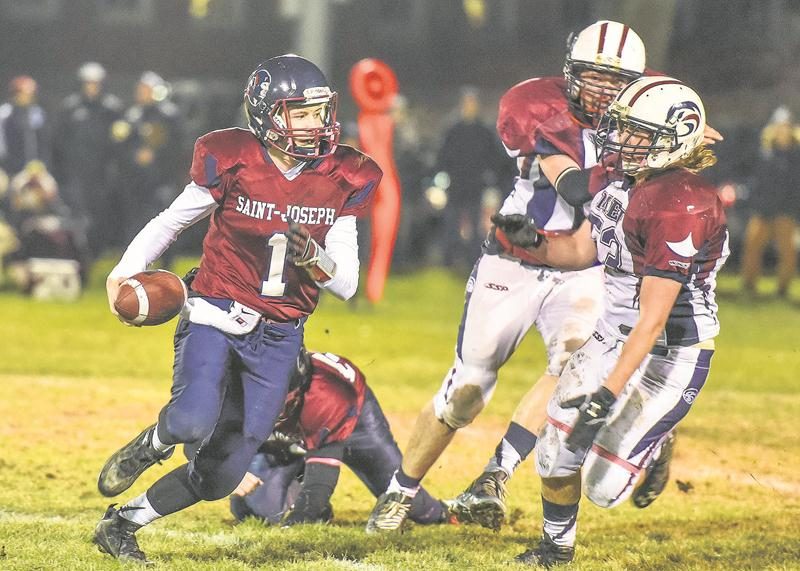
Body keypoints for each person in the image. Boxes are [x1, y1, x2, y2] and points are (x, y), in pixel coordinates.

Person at [92, 54, 381, 564]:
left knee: (222, 475)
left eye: (321, 111)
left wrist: (315, 258)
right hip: (215, 309)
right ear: (269, 114)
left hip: (280, 334)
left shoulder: (344, 175)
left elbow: (349, 286)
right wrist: (126, 269)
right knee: (189, 420)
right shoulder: (232, 157)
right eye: (303, 113)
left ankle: (123, 522)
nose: (318, 123)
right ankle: (152, 443)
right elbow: (170, 222)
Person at [365, 20, 645, 534]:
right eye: (593, 77)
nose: (604, 90)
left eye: (616, 80)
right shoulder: (539, 109)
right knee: (467, 389)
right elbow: (579, 188)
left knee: (574, 367)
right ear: (570, 73)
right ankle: (399, 490)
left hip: (583, 267)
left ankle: (495, 474)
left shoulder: (644, 122)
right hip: (517, 257)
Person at [514, 76, 728, 566]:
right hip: (612, 334)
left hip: (669, 352)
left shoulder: (683, 203)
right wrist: (531, 243)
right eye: (623, 129)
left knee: (605, 489)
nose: (622, 142)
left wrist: (605, 396)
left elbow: (652, 321)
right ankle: (557, 546)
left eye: (637, 133)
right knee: (554, 449)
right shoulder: (621, 178)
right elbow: (582, 250)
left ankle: (658, 439)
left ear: (672, 139)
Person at [222, 347, 450, 527]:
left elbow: (322, 477)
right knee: (255, 509)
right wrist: (225, 473)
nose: (271, 407)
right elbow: (204, 442)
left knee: (407, 503)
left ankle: (449, 512)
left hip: (354, 424)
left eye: (280, 398)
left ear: (298, 386)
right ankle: (303, 484)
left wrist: (298, 522)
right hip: (292, 434)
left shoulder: (326, 394)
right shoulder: (238, 386)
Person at [52, 62, 123, 260]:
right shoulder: (70, 108)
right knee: (77, 216)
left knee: (99, 217)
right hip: (75, 174)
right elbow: (58, 144)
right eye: (88, 83)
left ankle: (96, 255)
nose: (92, 87)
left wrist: (113, 171)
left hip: (101, 174)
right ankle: (77, 257)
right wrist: (61, 173)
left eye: (96, 83)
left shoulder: (111, 109)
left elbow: (119, 144)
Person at [112, 71, 183, 250]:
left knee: (166, 220)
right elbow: (121, 148)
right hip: (136, 180)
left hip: (162, 179)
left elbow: (178, 146)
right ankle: (133, 261)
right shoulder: (132, 116)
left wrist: (157, 156)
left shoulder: (169, 116)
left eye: (146, 89)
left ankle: (167, 262)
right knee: (134, 221)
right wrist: (134, 155)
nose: (142, 93)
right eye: (141, 89)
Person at [436, 87, 504, 270]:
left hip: (475, 185)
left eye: (473, 103)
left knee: (475, 226)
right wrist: (443, 175)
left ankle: (472, 259)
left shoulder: (484, 131)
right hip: (456, 184)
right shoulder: (453, 129)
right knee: (451, 223)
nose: (470, 106)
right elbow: (443, 155)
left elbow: (493, 158)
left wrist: (490, 179)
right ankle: (449, 260)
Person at [740, 105, 800, 299]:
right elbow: (755, 179)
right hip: (763, 209)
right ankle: (749, 285)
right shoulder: (764, 153)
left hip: (786, 210)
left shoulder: (796, 155)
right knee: (752, 247)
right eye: (779, 126)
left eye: (786, 126)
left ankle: (782, 289)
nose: (783, 130)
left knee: (787, 252)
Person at [0, 76, 50, 177]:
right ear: (14, 94)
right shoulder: (5, 112)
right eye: (23, 93)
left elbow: (43, 141)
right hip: (8, 168)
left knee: (49, 189)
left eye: (30, 94)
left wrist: (42, 162)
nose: (26, 97)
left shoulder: (37, 113)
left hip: (34, 168)